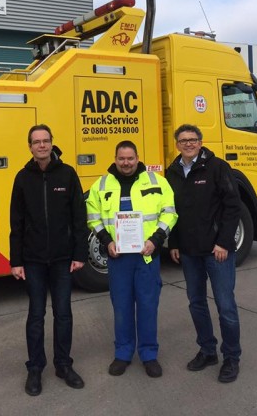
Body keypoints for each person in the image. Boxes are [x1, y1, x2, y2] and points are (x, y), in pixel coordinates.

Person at [86, 140, 177, 378]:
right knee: (122, 307)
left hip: (146, 256)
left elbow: (169, 212)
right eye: (121, 158)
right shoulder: (102, 184)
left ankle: (149, 354)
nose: (126, 163)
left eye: (130, 158)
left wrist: (156, 240)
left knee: (148, 306)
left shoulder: (157, 181)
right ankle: (123, 354)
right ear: (115, 159)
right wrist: (107, 241)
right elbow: (92, 216)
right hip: (118, 259)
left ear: (137, 158)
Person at [9, 124, 89, 397]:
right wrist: (16, 260)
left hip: (62, 259)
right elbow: (16, 222)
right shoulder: (22, 178)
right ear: (29, 146)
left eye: (45, 141)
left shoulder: (67, 174)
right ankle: (35, 369)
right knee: (35, 315)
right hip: (32, 260)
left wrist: (80, 254)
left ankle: (64, 365)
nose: (41, 146)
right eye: (36, 142)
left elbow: (79, 217)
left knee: (63, 314)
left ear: (52, 144)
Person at [166, 124, 242, 383]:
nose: (188, 144)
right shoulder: (173, 172)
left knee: (225, 306)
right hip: (189, 252)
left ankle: (231, 357)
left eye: (193, 139)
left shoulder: (218, 167)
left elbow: (233, 206)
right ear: (177, 144)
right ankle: (208, 350)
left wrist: (223, 242)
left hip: (216, 251)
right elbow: (171, 211)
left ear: (200, 142)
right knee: (196, 303)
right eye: (183, 140)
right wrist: (173, 243)